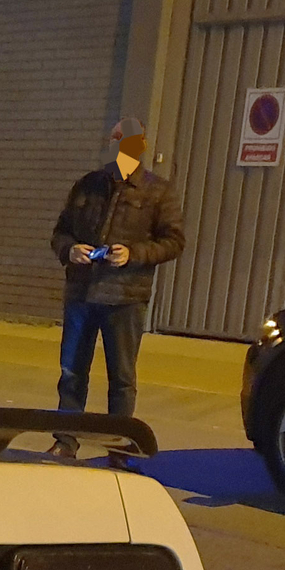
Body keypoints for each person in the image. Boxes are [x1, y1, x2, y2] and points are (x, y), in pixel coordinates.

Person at [49, 116, 184, 459]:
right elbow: (61, 232)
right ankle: (65, 440)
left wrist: (133, 254)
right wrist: (70, 250)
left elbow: (173, 242)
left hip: (125, 297)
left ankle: (119, 447)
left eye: (125, 139)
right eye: (114, 138)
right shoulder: (88, 185)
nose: (117, 144)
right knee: (71, 372)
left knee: (121, 378)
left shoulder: (158, 191)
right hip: (81, 294)